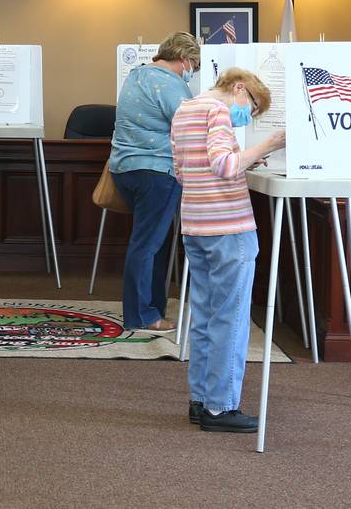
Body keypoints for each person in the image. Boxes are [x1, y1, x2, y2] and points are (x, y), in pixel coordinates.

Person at [170, 67, 286, 434]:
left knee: (204, 316)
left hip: (195, 224)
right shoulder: (219, 111)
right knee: (232, 320)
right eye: (251, 107)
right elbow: (224, 165)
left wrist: (245, 156)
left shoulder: (185, 109)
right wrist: (267, 145)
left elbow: (182, 169)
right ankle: (221, 408)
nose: (248, 116)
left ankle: (201, 400)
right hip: (228, 226)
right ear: (239, 88)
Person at [109, 31, 200, 332]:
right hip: (157, 171)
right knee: (147, 244)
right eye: (193, 67)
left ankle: (154, 307)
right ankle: (142, 316)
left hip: (125, 170)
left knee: (154, 243)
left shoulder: (136, 76)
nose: (192, 73)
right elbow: (191, 127)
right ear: (185, 60)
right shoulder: (171, 84)